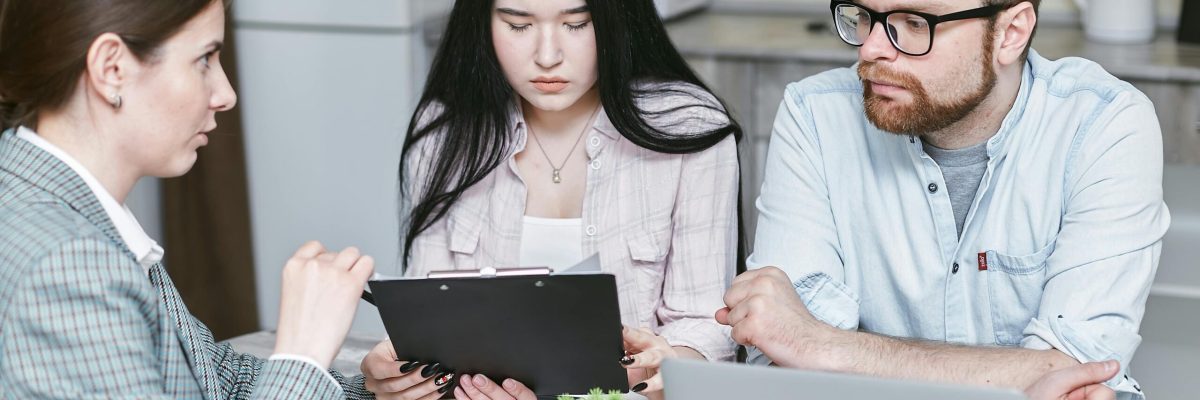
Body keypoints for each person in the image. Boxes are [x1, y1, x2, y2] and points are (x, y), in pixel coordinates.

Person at [716, 0, 1168, 399]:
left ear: (1010, 33)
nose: (871, 49)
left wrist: (825, 346)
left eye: (914, 23)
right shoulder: (814, 115)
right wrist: (1017, 374)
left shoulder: (1104, 124)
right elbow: (784, 365)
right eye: (863, 16)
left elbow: (1075, 371)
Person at [357, 0, 743, 398]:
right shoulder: (445, 132)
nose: (547, 56)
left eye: (576, 24)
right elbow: (429, 324)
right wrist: (400, 376)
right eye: (518, 25)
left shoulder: (690, 126)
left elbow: (709, 326)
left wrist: (669, 366)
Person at [0, 1, 376, 398]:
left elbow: (213, 382)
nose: (226, 94)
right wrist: (305, 352)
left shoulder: (66, 211)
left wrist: (373, 393)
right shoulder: (68, 265)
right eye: (205, 59)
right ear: (112, 69)